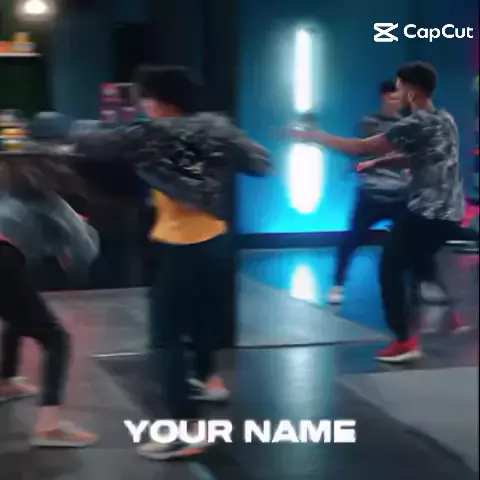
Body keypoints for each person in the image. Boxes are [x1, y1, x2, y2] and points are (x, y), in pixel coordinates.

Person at [72, 65, 271, 459]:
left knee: (164, 338)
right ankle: (206, 381)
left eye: (146, 98)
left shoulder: (150, 132)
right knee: (201, 321)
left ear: (159, 101)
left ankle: (186, 429)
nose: (144, 105)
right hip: (216, 240)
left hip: (182, 245)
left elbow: (89, 144)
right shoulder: (217, 128)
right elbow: (260, 163)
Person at [289, 61, 464, 363]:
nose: (397, 93)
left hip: (426, 211)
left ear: (412, 91)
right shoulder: (445, 119)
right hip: (449, 212)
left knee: (390, 268)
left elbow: (359, 147)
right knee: (416, 262)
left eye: (400, 88)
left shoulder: (415, 123)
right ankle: (429, 326)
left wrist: (315, 137)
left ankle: (405, 342)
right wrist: (377, 164)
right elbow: (417, 158)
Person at [0, 150, 99, 447]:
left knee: (17, 314)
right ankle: (49, 426)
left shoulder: (7, 189)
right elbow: (84, 250)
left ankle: (5, 381)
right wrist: (76, 271)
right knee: (56, 339)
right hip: (4, 261)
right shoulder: (48, 200)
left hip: (10, 263)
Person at [328, 80, 408, 304]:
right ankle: (337, 284)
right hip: (372, 193)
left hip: (399, 194)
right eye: (392, 96)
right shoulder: (370, 123)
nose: (396, 101)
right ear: (384, 97)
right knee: (353, 238)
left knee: (414, 240)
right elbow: (363, 147)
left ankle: (424, 284)